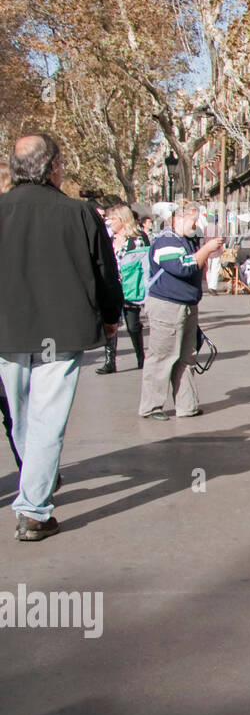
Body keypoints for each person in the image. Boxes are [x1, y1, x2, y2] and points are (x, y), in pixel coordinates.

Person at [0, 134, 122, 541]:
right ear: (52, 167)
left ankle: (35, 490)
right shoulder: (79, 213)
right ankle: (34, 506)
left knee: (22, 415)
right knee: (45, 418)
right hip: (61, 330)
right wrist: (110, 318)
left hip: (8, 331)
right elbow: (106, 270)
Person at [138, 200, 224, 419]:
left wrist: (207, 250)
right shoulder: (166, 240)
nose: (196, 224)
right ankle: (152, 406)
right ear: (177, 218)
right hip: (167, 305)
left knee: (186, 356)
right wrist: (206, 249)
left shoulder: (188, 239)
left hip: (187, 304)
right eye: (193, 220)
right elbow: (181, 267)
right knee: (162, 356)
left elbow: (195, 264)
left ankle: (187, 405)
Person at [98, 204, 150, 373]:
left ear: (122, 220)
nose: (109, 221)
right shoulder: (108, 238)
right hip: (112, 286)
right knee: (110, 322)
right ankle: (109, 362)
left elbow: (143, 263)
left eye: (112, 218)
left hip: (130, 287)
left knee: (133, 325)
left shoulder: (137, 239)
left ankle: (140, 357)